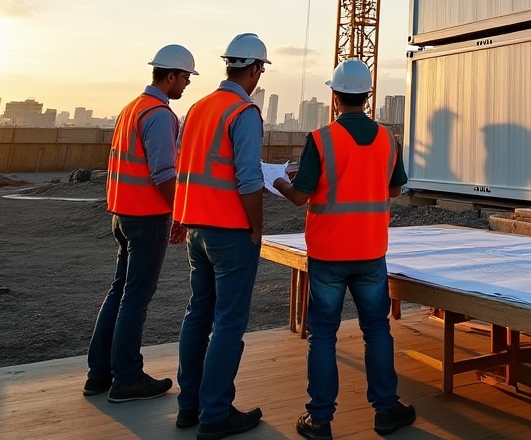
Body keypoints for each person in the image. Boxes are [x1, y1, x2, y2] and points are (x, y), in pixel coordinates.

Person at [275, 58, 415, 440]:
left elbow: (301, 196)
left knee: (323, 335)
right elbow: (394, 189)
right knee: (377, 331)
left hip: (329, 254)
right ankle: (386, 410)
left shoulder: (320, 140)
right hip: (370, 252)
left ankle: (320, 420)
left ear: (335, 96)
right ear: (367, 97)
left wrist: (280, 184)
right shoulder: (388, 139)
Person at [85, 43, 197, 402]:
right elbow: (164, 171)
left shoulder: (132, 108)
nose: (186, 85)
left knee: (119, 291)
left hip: (122, 214)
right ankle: (127, 378)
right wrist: (180, 213)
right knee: (135, 297)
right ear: (170, 76)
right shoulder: (160, 115)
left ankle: (99, 374)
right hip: (146, 217)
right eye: (185, 78)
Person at [174, 33, 269, 440]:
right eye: (260, 71)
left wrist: (182, 217)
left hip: (197, 229)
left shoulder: (198, 108)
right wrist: (257, 226)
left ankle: (189, 406)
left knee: (198, 315)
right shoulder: (243, 112)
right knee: (228, 325)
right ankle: (215, 415)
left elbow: (185, 166)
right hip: (230, 232)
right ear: (253, 70)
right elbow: (248, 179)